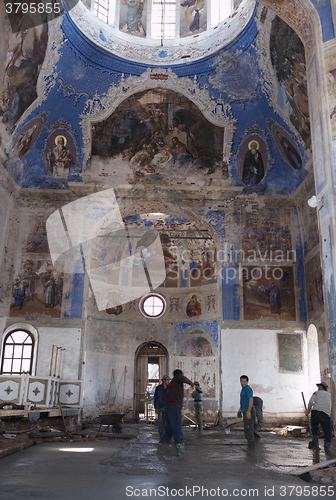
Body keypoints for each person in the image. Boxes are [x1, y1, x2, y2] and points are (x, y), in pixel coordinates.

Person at [158, 369, 194, 457]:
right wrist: (192, 384)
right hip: (174, 408)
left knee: (169, 431)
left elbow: (167, 396)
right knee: (177, 428)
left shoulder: (172, 385)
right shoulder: (178, 378)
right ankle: (180, 450)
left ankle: (161, 448)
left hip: (168, 408)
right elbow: (182, 379)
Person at [307, 381, 332, 453]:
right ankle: (327, 448)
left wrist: (308, 411)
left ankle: (316, 444)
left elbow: (311, 402)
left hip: (315, 413)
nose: (318, 388)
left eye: (319, 387)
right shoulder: (329, 395)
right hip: (325, 414)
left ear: (322, 387)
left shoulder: (316, 393)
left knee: (314, 429)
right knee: (327, 431)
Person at [238, 375, 256, 447]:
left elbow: (250, 400)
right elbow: (243, 401)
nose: (243, 383)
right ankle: (249, 442)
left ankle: (251, 444)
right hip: (245, 410)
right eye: (241, 381)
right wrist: (240, 409)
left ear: (247, 382)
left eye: (244, 381)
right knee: (246, 427)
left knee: (249, 427)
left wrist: (249, 411)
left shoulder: (248, 389)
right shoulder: (243, 389)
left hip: (249, 410)